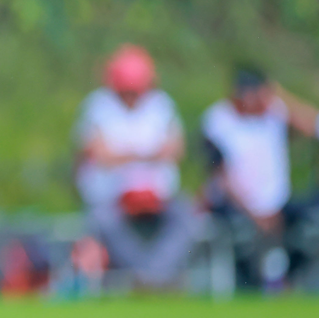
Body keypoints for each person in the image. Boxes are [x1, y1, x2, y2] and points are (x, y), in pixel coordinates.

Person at [73, 44, 197, 288]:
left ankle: (153, 275)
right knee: (104, 222)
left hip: (158, 196)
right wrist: (147, 153)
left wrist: (126, 154)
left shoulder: (162, 105)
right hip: (111, 197)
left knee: (189, 216)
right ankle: (147, 276)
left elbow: (176, 149)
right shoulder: (97, 106)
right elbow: (98, 154)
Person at [202, 66, 319, 290]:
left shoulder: (275, 112)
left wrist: (281, 97)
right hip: (238, 205)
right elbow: (221, 177)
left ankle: (290, 282)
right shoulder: (218, 120)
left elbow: (313, 126)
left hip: (278, 203)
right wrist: (254, 211)